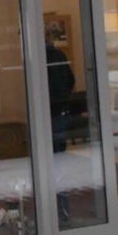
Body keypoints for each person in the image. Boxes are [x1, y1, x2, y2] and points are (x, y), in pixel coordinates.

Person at [45, 23, 76, 224]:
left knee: (46, 162)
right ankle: (62, 209)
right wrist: (63, 98)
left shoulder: (37, 58)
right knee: (59, 160)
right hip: (60, 112)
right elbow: (71, 80)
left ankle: (50, 211)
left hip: (46, 113)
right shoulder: (60, 56)